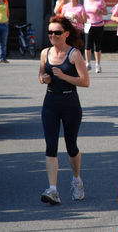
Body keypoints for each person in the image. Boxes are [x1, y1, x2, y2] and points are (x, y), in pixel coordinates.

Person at [38, 16, 90, 205]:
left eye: (57, 32)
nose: (53, 35)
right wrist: (44, 78)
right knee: (50, 145)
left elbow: (85, 82)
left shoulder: (74, 54)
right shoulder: (45, 53)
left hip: (70, 102)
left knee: (71, 145)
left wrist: (64, 76)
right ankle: (53, 190)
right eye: (50, 32)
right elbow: (41, 75)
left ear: (66, 34)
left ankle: (77, 180)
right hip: (50, 101)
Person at [83, 0, 108, 73]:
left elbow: (106, 12)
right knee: (87, 45)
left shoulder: (100, 1)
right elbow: (84, 11)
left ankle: (98, 64)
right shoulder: (85, 0)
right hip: (88, 24)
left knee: (97, 45)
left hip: (98, 25)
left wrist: (99, 11)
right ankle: (88, 63)